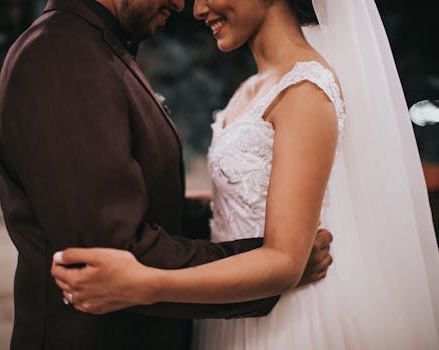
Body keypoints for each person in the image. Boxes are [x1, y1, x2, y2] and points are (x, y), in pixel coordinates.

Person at [52, 0, 439, 349]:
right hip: (232, 310)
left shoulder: (305, 91)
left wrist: (143, 284)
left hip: (285, 323)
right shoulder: (255, 87)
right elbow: (246, 198)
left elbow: (286, 263)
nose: (198, 10)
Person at [0, 0, 334, 349]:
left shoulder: (94, 46)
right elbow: (113, 250)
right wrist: (271, 263)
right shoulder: (62, 55)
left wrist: (230, 216)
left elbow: (120, 201)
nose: (184, 5)